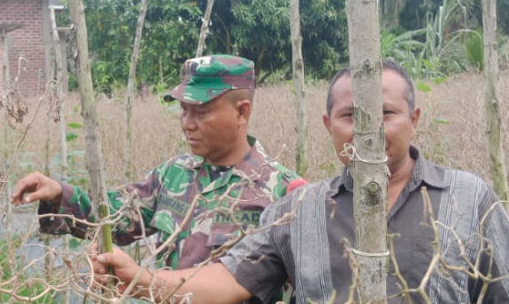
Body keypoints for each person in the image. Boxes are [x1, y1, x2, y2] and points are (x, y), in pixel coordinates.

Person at [94, 60, 509, 303]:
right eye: (349, 116)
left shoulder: (470, 199)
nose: (366, 130)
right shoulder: (299, 211)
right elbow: (228, 280)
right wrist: (140, 278)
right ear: (329, 126)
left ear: (413, 121)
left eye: (384, 113)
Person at [11, 54, 302, 272]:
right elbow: (113, 220)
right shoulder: (173, 175)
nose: (188, 124)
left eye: (201, 112)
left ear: (242, 112)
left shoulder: (282, 193)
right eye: (183, 110)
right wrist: (60, 194)